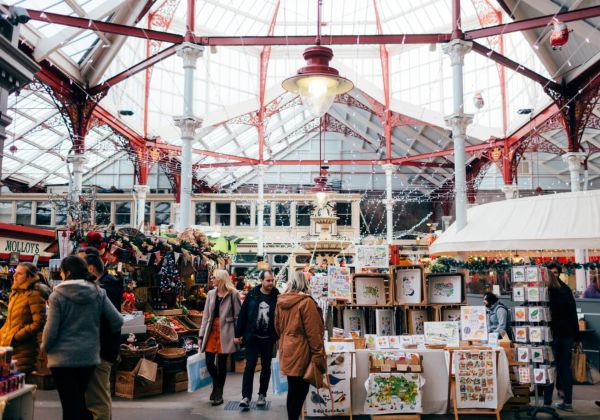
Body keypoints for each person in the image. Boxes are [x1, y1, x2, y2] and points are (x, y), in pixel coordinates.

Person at [42, 256, 123, 420]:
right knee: (81, 403)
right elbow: (117, 320)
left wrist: (45, 348)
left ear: (67, 272)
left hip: (62, 359)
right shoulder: (98, 292)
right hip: (88, 357)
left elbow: (51, 330)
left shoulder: (57, 296)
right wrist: (97, 335)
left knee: (70, 405)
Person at [275, 270, 326, 420]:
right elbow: (313, 332)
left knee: (292, 390)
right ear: (306, 283)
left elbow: (277, 327)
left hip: (287, 348)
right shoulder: (306, 302)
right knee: (300, 391)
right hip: (302, 351)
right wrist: (318, 355)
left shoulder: (281, 301)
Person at [84, 254, 123, 420]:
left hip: (102, 349)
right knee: (98, 397)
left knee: (98, 400)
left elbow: (114, 321)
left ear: (91, 268)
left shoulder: (105, 288)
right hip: (103, 347)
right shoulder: (109, 284)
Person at [234, 270, 280, 408]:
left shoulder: (276, 295)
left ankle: (262, 395)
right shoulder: (252, 294)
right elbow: (243, 314)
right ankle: (246, 397)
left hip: (269, 338)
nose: (271, 283)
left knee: (266, 367)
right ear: (261, 280)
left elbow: (281, 315)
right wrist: (237, 335)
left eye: (272, 280)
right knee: (250, 366)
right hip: (253, 337)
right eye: (268, 280)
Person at [198, 269, 241, 406]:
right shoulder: (211, 294)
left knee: (222, 364)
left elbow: (237, 317)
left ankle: (219, 393)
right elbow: (206, 316)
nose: (211, 279)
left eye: (213, 277)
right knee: (209, 361)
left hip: (226, 331)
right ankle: (216, 385)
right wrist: (201, 335)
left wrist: (237, 335)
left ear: (221, 279)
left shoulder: (233, 294)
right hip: (211, 331)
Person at [543, 270, 581, 412]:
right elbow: (573, 314)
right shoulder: (566, 290)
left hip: (551, 335)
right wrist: (577, 337)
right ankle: (568, 402)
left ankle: (546, 402)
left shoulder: (546, 293)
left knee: (548, 368)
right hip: (567, 335)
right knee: (565, 368)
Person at [0, 263, 47, 375]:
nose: (14, 276)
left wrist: (16, 336)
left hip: (24, 350)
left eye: (19, 273)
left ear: (29, 277)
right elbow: (10, 320)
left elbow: (39, 323)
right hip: (7, 346)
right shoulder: (15, 294)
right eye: (15, 272)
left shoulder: (34, 295)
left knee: (18, 383)